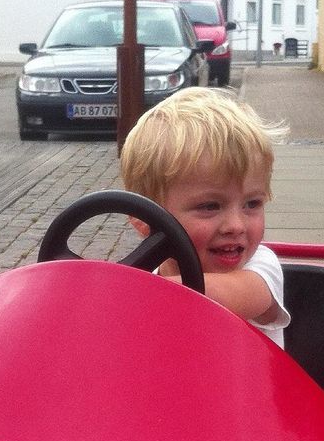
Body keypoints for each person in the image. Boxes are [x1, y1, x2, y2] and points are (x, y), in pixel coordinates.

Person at [120, 87, 292, 347]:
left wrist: (122, 292)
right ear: (145, 220)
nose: (236, 225)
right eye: (210, 206)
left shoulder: (259, 268)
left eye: (252, 203)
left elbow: (232, 295)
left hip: (250, 386)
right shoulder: (149, 276)